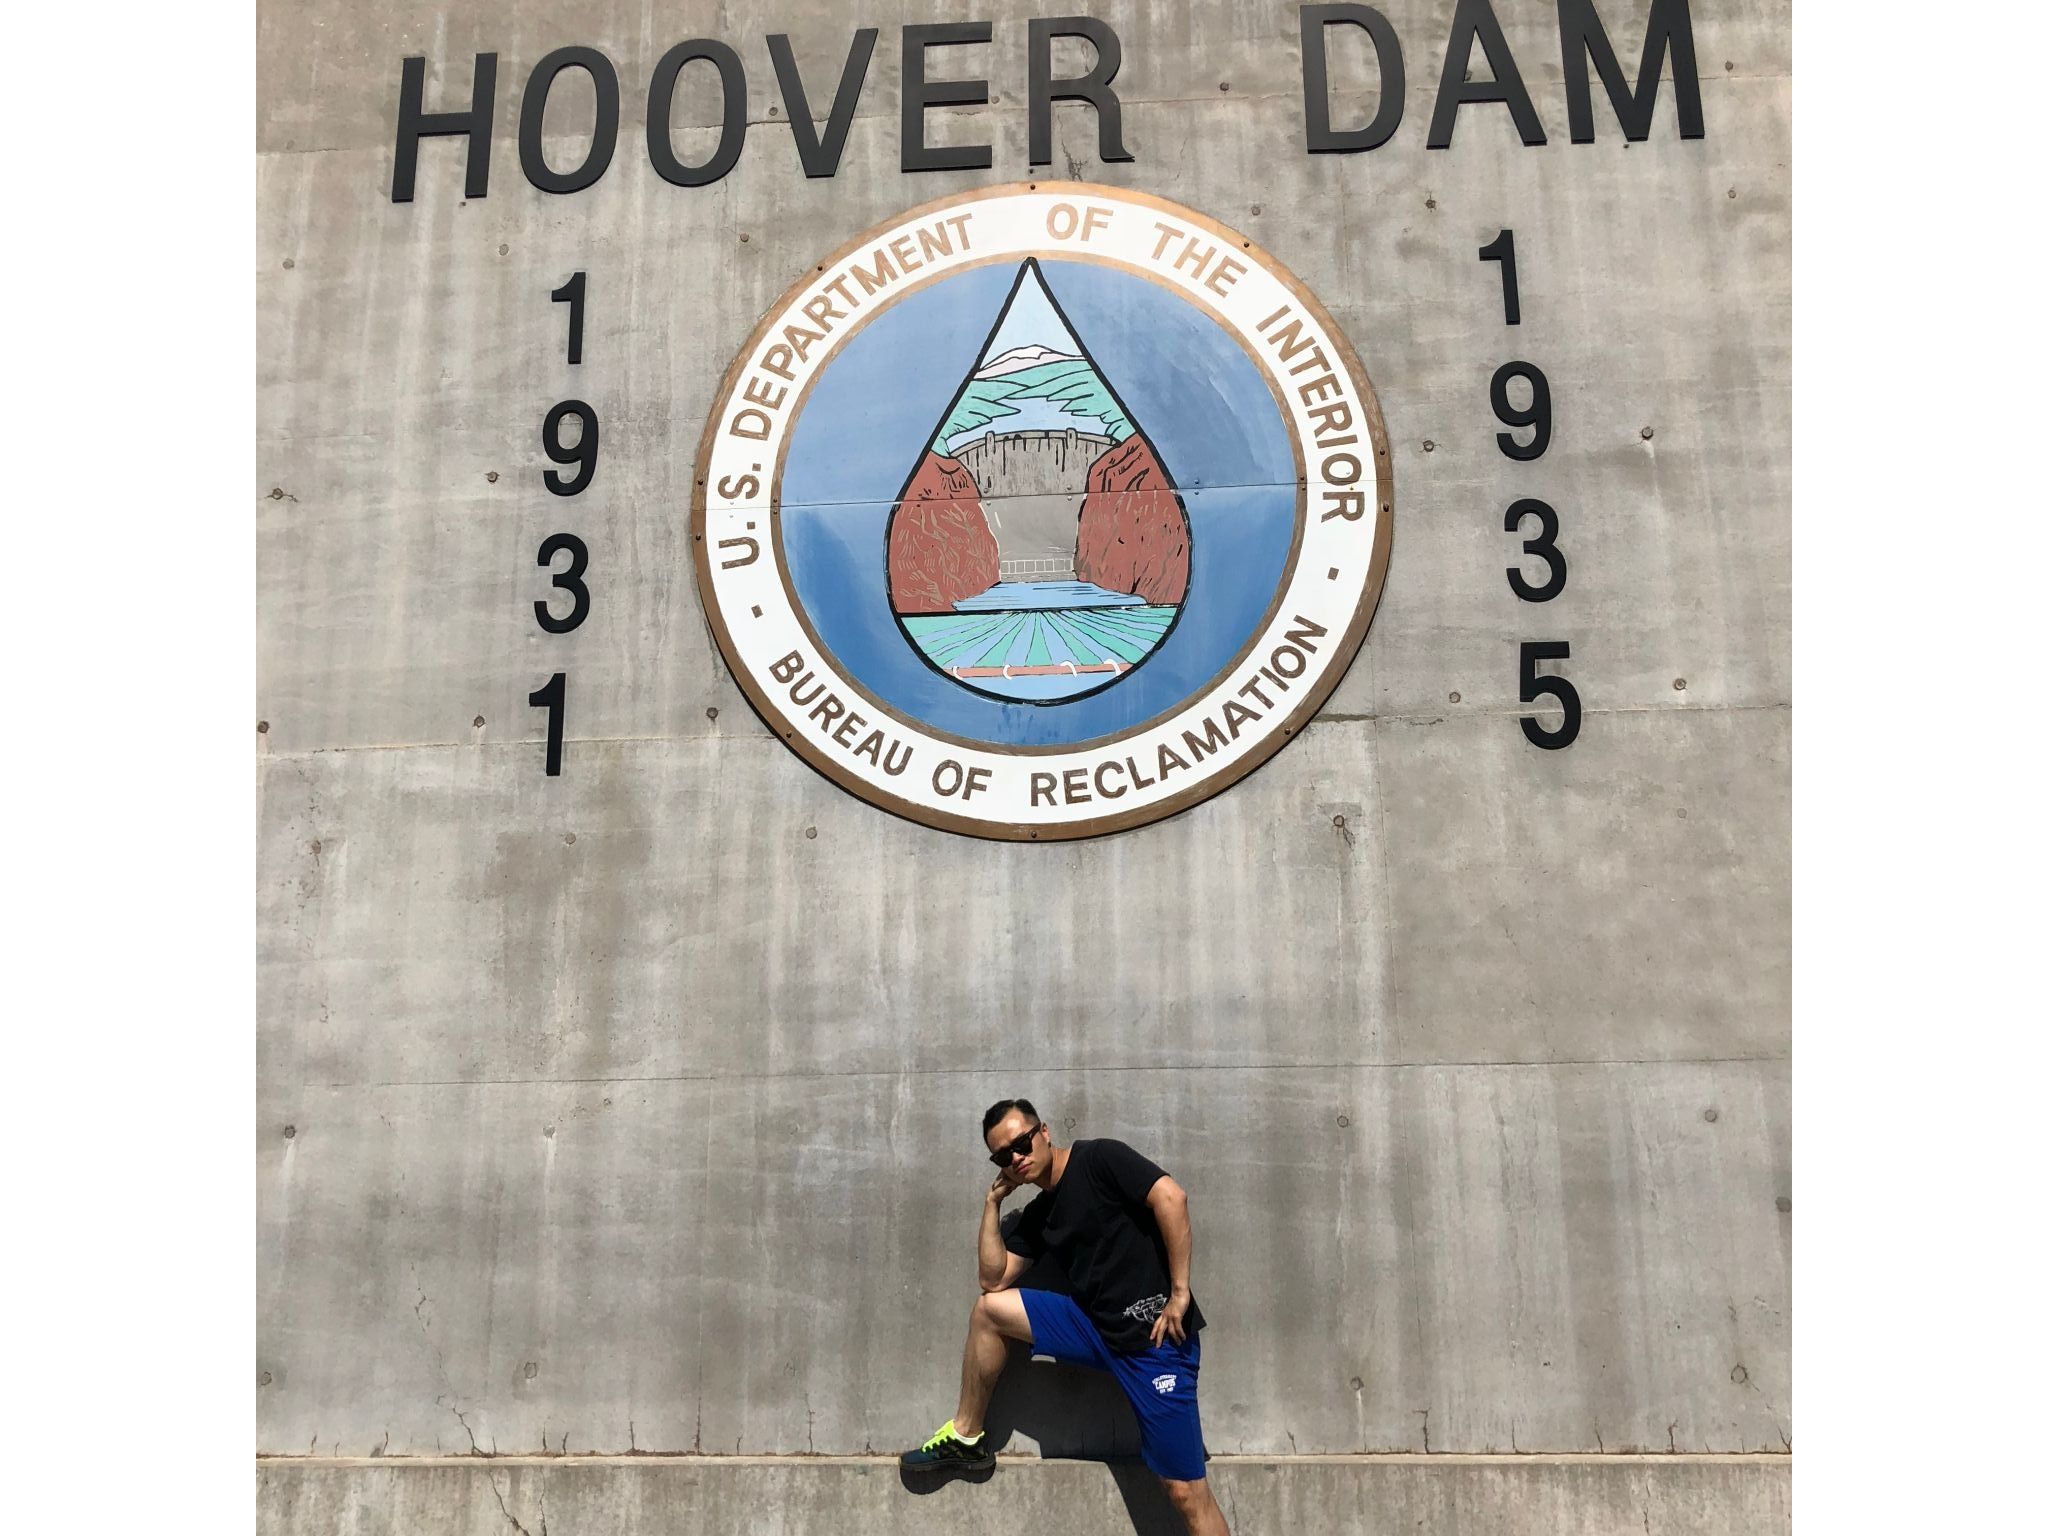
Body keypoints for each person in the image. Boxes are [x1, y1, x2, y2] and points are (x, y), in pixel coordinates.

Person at [900, 1099, 1231, 1535]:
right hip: (1093, 1326)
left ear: (1044, 1132)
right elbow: (992, 1279)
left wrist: (1180, 1292)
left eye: (1021, 1143)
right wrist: (991, 1203)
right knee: (989, 1310)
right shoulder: (1041, 1214)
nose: (1016, 1158)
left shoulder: (1099, 1158)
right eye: (1003, 1156)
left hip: (1154, 1341)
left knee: (1185, 1492)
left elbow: (1172, 1197)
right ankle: (966, 1438)